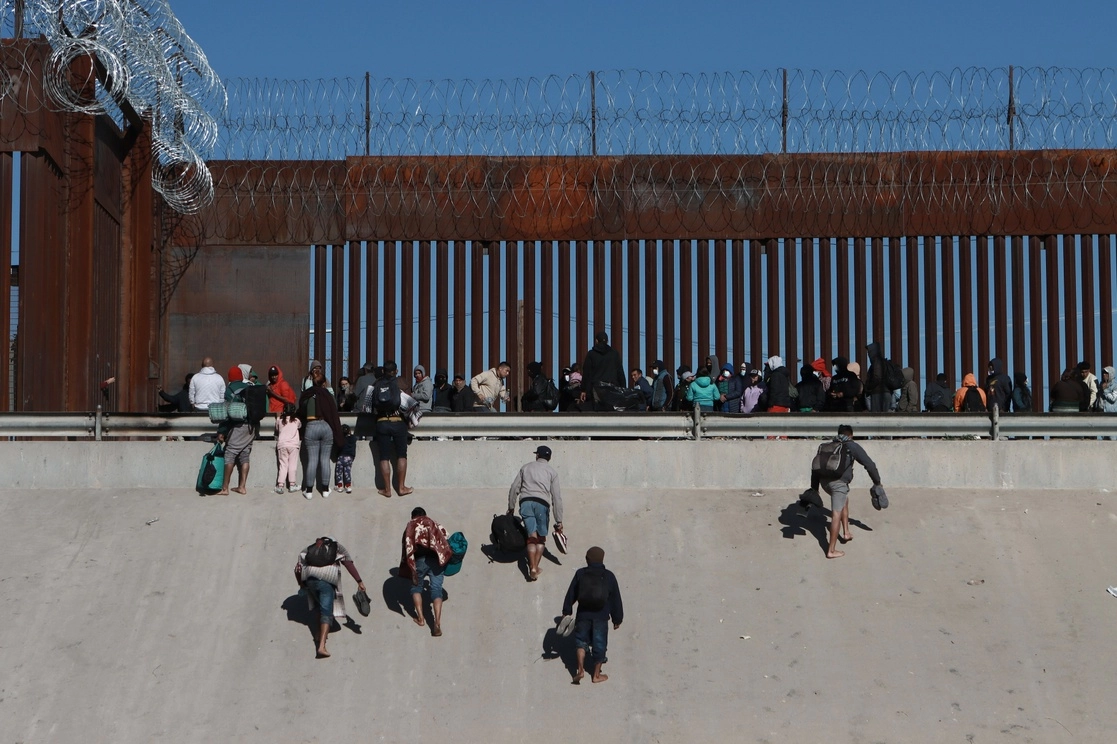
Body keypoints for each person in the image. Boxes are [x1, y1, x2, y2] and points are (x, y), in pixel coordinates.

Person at [809, 424, 884, 559]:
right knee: (836, 513)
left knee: (845, 500)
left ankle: (846, 532)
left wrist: (814, 488)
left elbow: (815, 467)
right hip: (838, 484)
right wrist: (877, 482)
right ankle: (831, 550)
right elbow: (869, 464)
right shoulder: (851, 445)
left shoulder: (828, 445)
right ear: (851, 435)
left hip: (824, 482)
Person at [294, 536, 367, 658]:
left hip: (310, 580)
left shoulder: (309, 549)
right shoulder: (338, 547)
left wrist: (301, 584)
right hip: (326, 580)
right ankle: (321, 647)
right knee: (327, 612)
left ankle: (319, 633)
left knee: (318, 604)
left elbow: (298, 569)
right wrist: (359, 581)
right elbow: (348, 564)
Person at [561, 546, 624, 684]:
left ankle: (580, 670)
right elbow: (615, 599)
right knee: (600, 644)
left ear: (587, 559)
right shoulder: (609, 576)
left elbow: (571, 593)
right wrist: (617, 619)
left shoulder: (580, 574)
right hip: (601, 616)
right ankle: (596, 675)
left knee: (581, 641)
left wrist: (567, 611)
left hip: (583, 614)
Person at [507, 445, 563, 581]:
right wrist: (559, 520)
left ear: (537, 455)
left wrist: (511, 507)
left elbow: (515, 487)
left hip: (525, 502)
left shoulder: (526, 467)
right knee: (540, 538)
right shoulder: (552, 472)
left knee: (531, 536)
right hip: (542, 504)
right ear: (549, 458)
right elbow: (556, 497)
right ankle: (535, 567)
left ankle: (531, 566)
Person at [400, 507, 453, 637]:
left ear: (413, 516)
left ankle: (421, 619)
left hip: (419, 561)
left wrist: (407, 567)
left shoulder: (411, 526)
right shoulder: (433, 523)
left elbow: (406, 546)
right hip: (436, 561)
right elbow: (446, 537)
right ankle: (437, 623)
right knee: (436, 589)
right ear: (425, 515)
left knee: (416, 588)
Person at [297, 365, 344, 499]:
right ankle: (325, 489)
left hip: (311, 426)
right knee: (325, 460)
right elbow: (334, 411)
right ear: (324, 383)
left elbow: (301, 409)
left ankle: (309, 491)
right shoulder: (328, 395)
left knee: (312, 460)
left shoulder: (307, 395)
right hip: (326, 427)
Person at [374, 361, 414, 497]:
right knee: (401, 455)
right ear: (396, 371)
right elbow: (410, 403)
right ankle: (401, 488)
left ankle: (387, 490)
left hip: (382, 422)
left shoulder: (377, 384)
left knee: (384, 456)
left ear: (384, 371)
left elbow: (369, 405)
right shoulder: (401, 383)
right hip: (398, 423)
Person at [216, 366, 254, 495]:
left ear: (229, 377)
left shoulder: (230, 390)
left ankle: (225, 488)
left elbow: (226, 413)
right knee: (244, 455)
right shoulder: (248, 387)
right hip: (251, 426)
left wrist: (222, 431)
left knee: (230, 454)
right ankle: (242, 487)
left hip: (238, 426)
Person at [580, 331, 626, 410]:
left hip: (595, 389)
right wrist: (623, 388)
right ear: (607, 341)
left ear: (596, 341)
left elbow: (586, 374)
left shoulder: (591, 354)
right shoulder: (614, 354)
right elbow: (620, 373)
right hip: (612, 387)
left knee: (597, 412)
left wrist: (584, 390)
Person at [274, 404, 301, 493]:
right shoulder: (296, 421)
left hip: (282, 445)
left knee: (283, 465)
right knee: (292, 465)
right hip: (293, 445)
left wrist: (278, 417)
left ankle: (280, 485)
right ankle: (292, 485)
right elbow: (299, 426)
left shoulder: (280, 421)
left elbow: (277, 429)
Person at [864, 342, 893, 413]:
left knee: (877, 418)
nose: (868, 354)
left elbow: (877, 377)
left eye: (869, 352)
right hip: (886, 392)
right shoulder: (884, 362)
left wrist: (868, 388)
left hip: (878, 393)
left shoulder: (877, 362)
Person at [333, 424, 357, 493]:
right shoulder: (353, 439)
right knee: (347, 471)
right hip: (349, 458)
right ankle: (348, 486)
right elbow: (354, 438)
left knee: (339, 472)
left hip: (341, 457)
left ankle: (340, 486)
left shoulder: (341, 439)